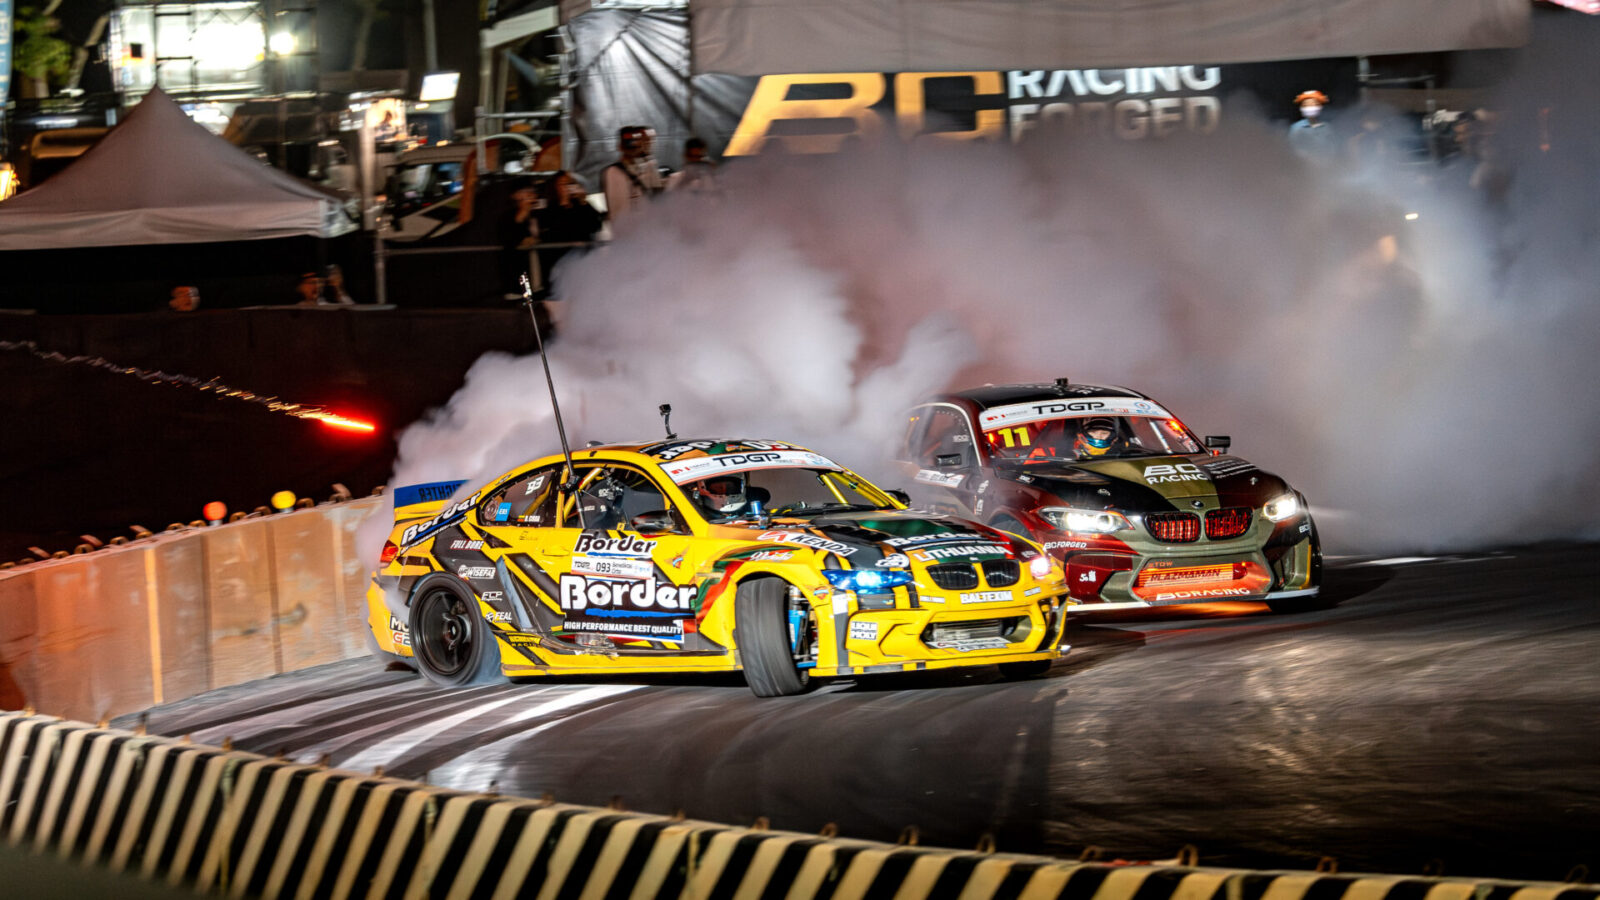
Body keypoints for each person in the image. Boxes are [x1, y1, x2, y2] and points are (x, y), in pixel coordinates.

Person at [532, 171, 604, 289]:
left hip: (583, 258)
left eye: (569, 183)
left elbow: (596, 225)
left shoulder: (581, 206)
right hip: (561, 260)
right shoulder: (549, 210)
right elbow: (552, 232)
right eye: (563, 184)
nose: (567, 187)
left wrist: (583, 202)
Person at [602, 125, 663, 231]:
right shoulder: (612, 171)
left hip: (648, 227)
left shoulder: (650, 167)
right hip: (625, 229)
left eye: (637, 143)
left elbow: (658, 197)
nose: (633, 147)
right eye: (629, 144)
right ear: (620, 146)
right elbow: (614, 207)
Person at [1288, 90, 1338, 162]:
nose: (1310, 107)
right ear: (1301, 108)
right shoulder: (1296, 128)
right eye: (1306, 105)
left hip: (1326, 163)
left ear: (1320, 106)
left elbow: (1333, 147)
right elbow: (1292, 148)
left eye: (1314, 104)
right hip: (1304, 164)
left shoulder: (1327, 127)